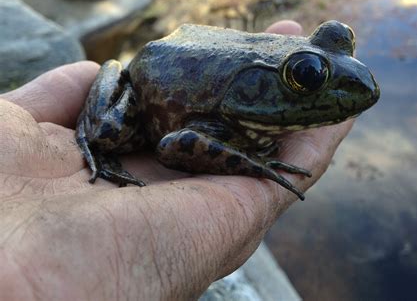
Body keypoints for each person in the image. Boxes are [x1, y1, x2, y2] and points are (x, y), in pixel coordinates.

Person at [0, 21, 353, 300]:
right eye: (306, 76)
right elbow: (173, 144)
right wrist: (251, 162)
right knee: (107, 132)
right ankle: (91, 141)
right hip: (143, 87)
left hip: (198, 60)